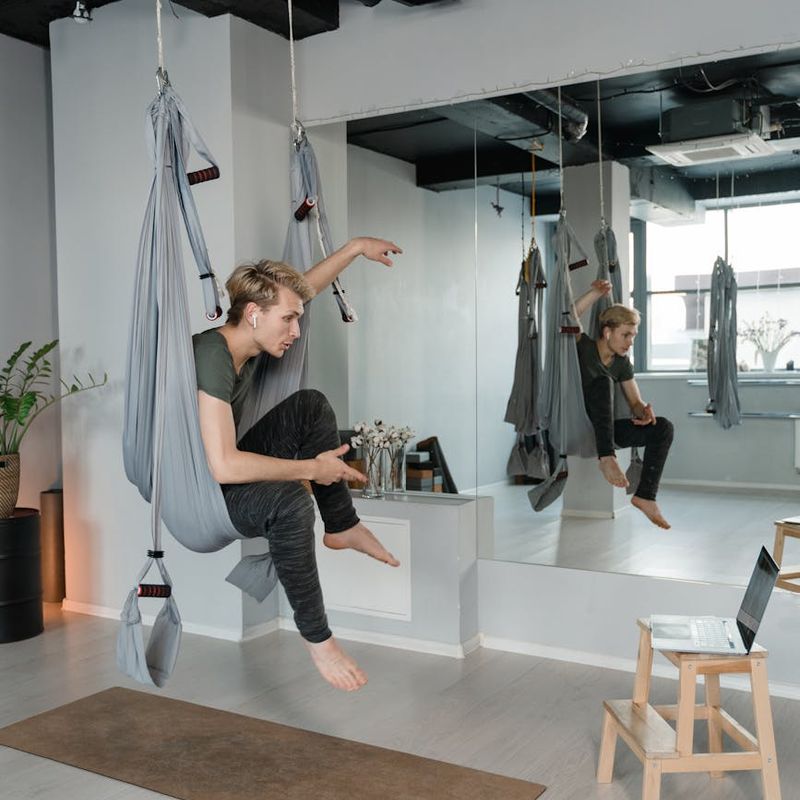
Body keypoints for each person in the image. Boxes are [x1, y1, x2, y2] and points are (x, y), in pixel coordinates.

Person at [193, 236, 402, 692]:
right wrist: (310, 469)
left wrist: (355, 248)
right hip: (202, 493)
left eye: (297, 320)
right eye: (288, 320)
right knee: (291, 502)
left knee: (311, 405)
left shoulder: (247, 340)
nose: (295, 330)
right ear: (254, 314)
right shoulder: (212, 355)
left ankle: (341, 524)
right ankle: (318, 637)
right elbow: (224, 466)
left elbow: (301, 290)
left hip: (223, 472)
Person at [573, 280, 674, 530]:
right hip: (579, 420)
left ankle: (646, 496)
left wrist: (644, 412)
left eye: (633, 336)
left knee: (664, 427)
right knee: (603, 383)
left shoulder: (622, 363)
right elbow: (567, 316)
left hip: (608, 429)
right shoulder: (583, 346)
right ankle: (607, 458)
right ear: (608, 332)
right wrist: (595, 292)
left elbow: (635, 401)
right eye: (625, 335)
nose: (630, 342)